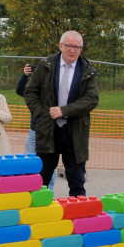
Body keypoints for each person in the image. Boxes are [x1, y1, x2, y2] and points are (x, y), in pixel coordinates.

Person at [24, 30, 99, 197]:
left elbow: (92, 99)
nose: (73, 50)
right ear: (60, 46)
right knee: (40, 181)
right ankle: (39, 217)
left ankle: (78, 218)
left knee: (77, 182)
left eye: (77, 47)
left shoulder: (88, 70)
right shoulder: (45, 66)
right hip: (48, 132)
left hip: (75, 133)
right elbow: (30, 92)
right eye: (69, 46)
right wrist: (42, 114)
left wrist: (64, 111)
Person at [16, 62, 55, 190]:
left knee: (49, 164)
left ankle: (49, 192)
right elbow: (20, 90)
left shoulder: (55, 87)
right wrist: (25, 76)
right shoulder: (34, 89)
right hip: (34, 131)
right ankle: (30, 190)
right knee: (29, 162)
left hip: (50, 131)